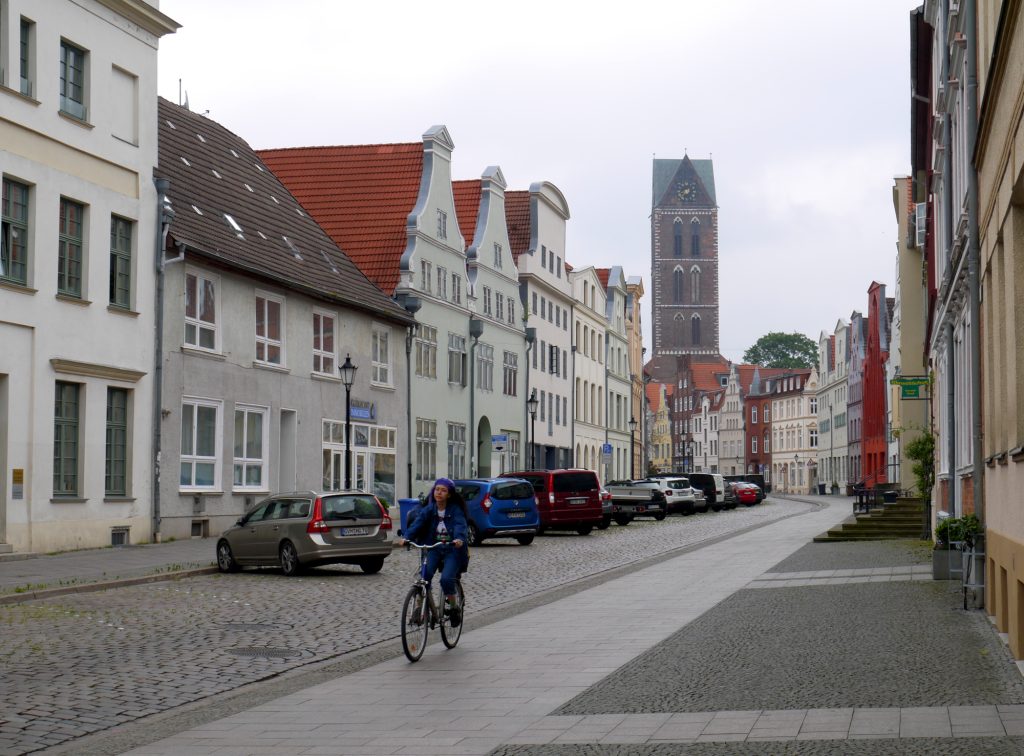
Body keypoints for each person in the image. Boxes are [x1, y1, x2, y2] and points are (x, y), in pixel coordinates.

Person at [397, 477, 467, 626]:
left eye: (443, 490)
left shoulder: (455, 510)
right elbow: (418, 523)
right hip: (434, 548)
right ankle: (418, 608)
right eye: (437, 489)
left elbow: (460, 525)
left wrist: (459, 539)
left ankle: (454, 607)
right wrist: (406, 537)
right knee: (424, 576)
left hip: (451, 549)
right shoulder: (430, 509)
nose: (439, 493)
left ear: (449, 494)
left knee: (446, 579)